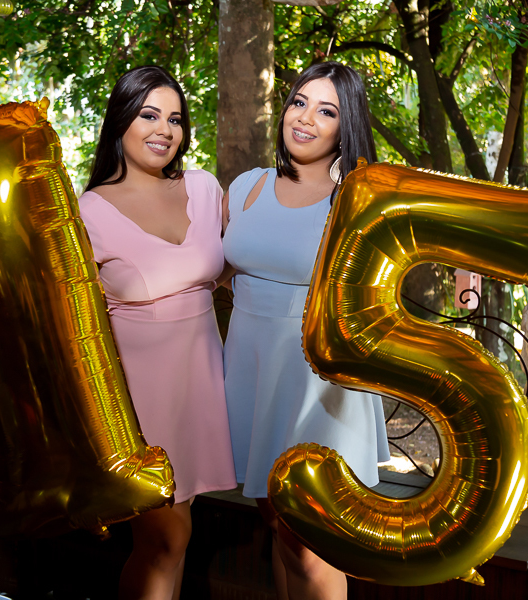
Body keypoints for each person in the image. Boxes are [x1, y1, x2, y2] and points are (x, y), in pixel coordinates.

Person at [222, 61, 390, 600]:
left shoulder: (357, 198)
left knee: (311, 546)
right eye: (299, 102)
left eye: (327, 111)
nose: (306, 119)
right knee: (276, 526)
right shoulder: (247, 186)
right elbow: (221, 272)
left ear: (346, 127)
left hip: (318, 382)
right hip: (252, 369)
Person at [79, 65, 237, 600]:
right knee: (165, 538)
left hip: (201, 387)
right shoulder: (87, 210)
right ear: (120, 121)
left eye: (174, 119)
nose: (164, 130)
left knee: (169, 542)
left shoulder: (203, 186)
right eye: (149, 115)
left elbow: (238, 260)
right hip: (140, 402)